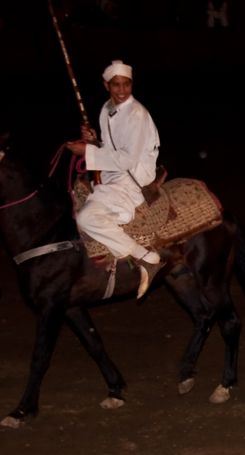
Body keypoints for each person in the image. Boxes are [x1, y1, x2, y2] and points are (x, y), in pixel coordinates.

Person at [66, 59, 162, 300]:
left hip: (132, 179)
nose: (121, 90)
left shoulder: (137, 114)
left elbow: (127, 160)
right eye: (116, 85)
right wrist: (94, 141)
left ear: (132, 84)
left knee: (87, 217)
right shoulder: (107, 109)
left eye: (126, 85)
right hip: (113, 174)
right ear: (106, 85)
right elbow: (112, 148)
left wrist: (87, 153)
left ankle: (145, 257)